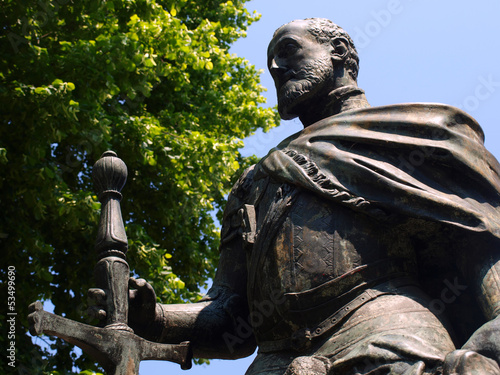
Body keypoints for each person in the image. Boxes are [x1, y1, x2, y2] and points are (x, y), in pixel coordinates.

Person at [91, 18, 500, 374]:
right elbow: (232, 321)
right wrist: (155, 317)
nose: (275, 67)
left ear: (339, 52)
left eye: (288, 50)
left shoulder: (414, 133)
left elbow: (480, 241)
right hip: (275, 364)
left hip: (387, 343)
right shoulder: (253, 181)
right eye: (270, 61)